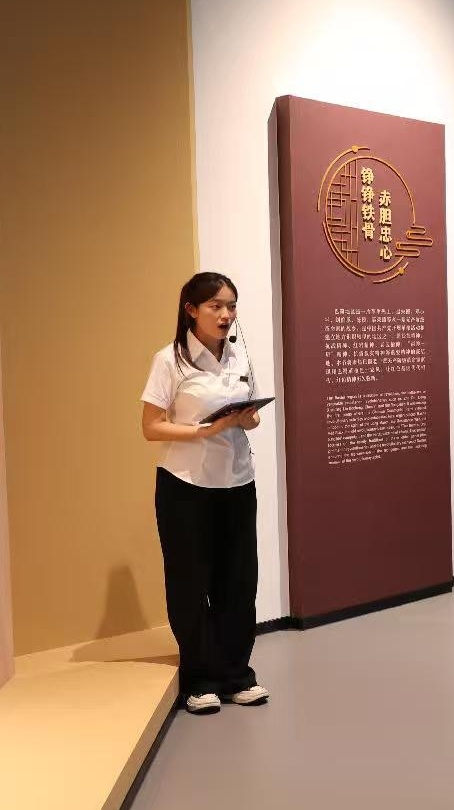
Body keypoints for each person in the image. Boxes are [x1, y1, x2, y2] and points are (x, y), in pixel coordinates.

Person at [140, 272, 269, 715]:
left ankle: (237, 675)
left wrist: (248, 417)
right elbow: (151, 427)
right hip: (186, 486)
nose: (226, 314)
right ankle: (200, 680)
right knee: (190, 583)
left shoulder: (240, 355)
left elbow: (251, 419)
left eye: (231, 305)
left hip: (237, 481)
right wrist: (204, 430)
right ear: (191, 310)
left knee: (239, 581)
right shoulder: (169, 361)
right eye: (215, 306)